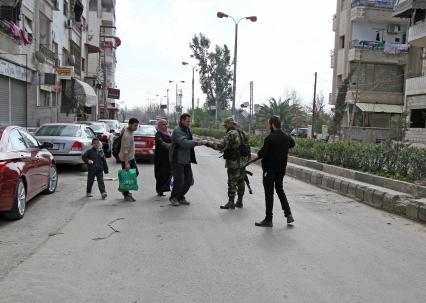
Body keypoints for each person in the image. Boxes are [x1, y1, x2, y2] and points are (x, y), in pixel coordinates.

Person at [255, 116, 295, 227]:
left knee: (269, 194)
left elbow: (261, 154)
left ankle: (268, 219)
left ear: (272, 124)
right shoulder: (286, 137)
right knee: (280, 190)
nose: (268, 126)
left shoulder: (270, 138)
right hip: (281, 170)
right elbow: (292, 144)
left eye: (269, 124)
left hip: (269, 170)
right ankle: (288, 214)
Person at [208, 117, 249, 210]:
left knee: (232, 181)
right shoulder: (243, 133)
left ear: (230, 124)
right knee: (241, 180)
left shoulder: (231, 133)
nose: (225, 127)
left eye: (226, 125)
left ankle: (231, 202)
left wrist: (208, 143)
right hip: (243, 161)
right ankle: (240, 201)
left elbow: (220, 146)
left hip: (234, 162)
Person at [169, 113, 206, 206]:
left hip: (186, 159)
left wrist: (197, 140)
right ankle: (174, 197)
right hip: (177, 159)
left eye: (190, 121)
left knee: (189, 180)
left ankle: (180, 196)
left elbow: (190, 140)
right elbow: (184, 143)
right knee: (179, 180)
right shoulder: (177, 130)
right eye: (187, 121)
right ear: (182, 121)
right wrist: (198, 143)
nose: (189, 123)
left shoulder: (187, 129)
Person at [119, 117, 139, 202]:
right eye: (135, 125)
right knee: (126, 177)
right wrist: (126, 163)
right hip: (126, 159)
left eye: (137, 125)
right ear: (130, 125)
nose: (136, 127)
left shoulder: (129, 131)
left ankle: (125, 192)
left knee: (134, 173)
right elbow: (125, 151)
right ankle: (126, 194)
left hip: (131, 157)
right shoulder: (127, 135)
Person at [154, 119, 172, 196]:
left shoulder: (169, 133)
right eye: (163, 124)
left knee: (168, 173)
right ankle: (159, 190)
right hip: (160, 158)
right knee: (160, 174)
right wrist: (171, 146)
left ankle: (163, 188)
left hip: (168, 157)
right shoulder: (158, 134)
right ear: (160, 125)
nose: (165, 126)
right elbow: (161, 143)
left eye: (166, 124)